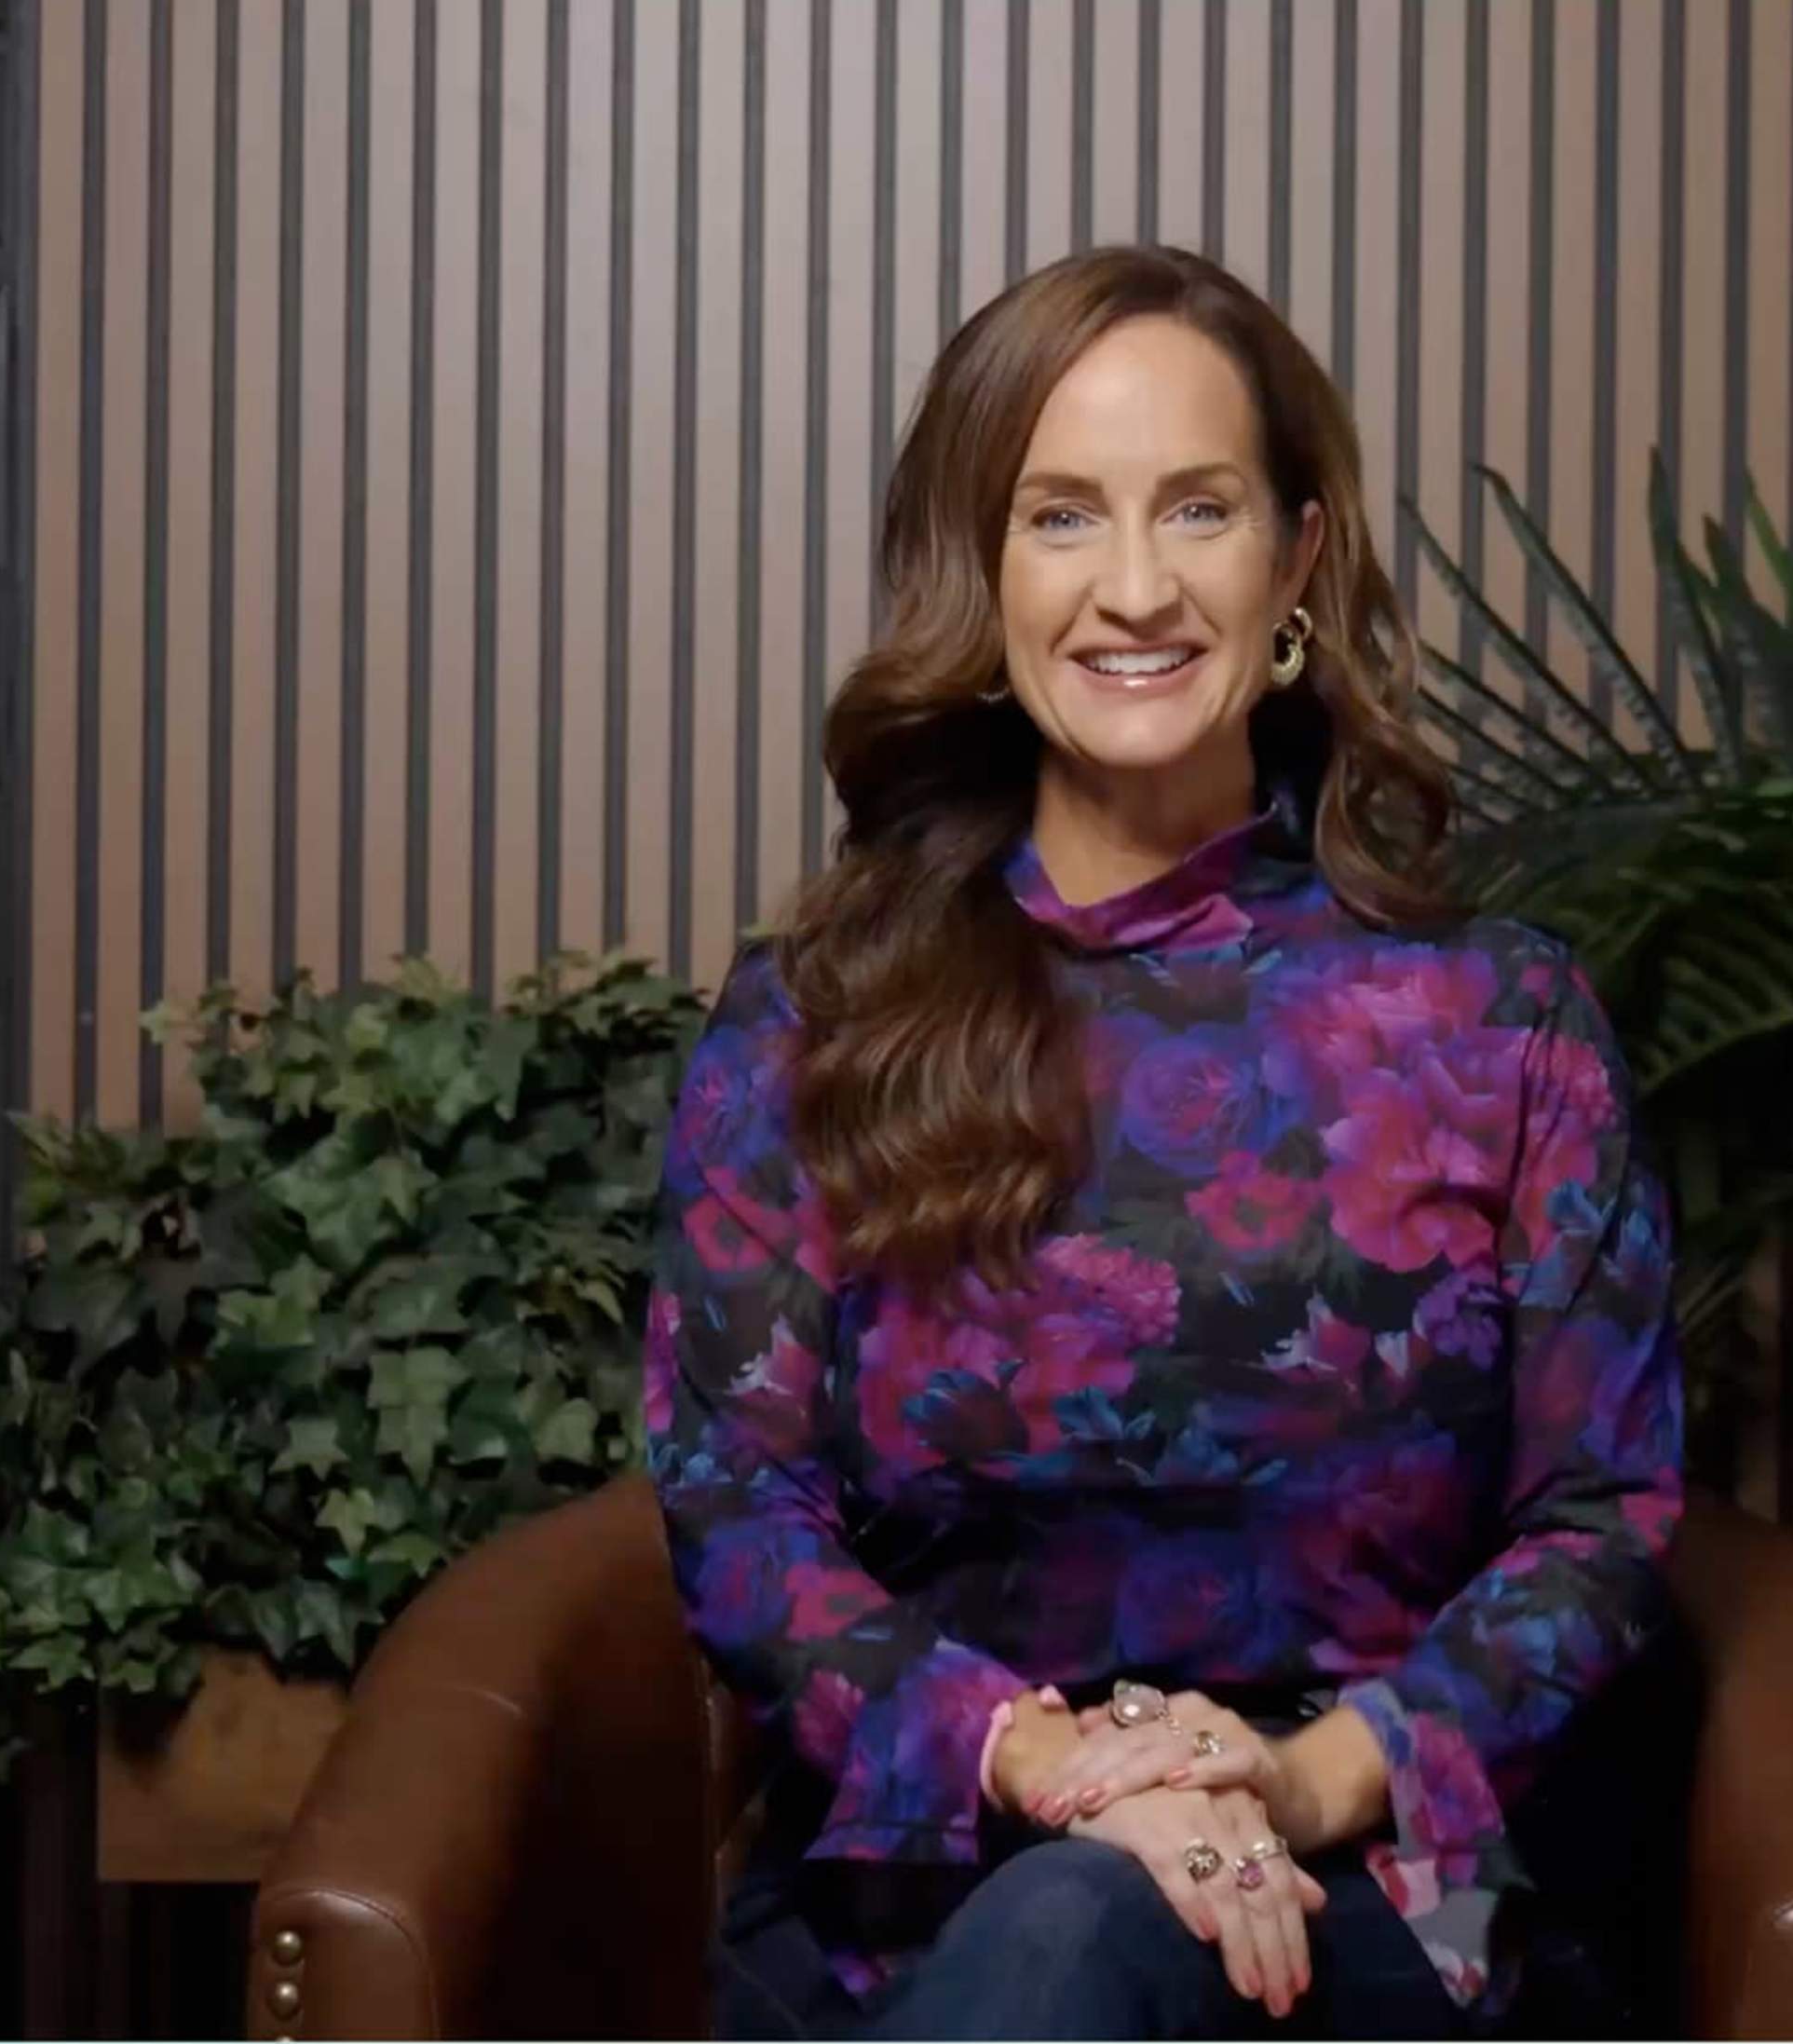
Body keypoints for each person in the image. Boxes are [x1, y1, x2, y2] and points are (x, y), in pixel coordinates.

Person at [643, 242, 1684, 2040]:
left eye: (1195, 509)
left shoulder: (1502, 1023)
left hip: (1375, 1901)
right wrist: (1054, 1768)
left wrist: (1293, 1782)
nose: (1135, 586)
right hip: (927, 1890)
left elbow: (1605, 1521)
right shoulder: (816, 1018)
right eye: (1061, 517)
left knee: (1083, 1939)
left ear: (1293, 561)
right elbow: (738, 1507)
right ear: (982, 573)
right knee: (1059, 1936)